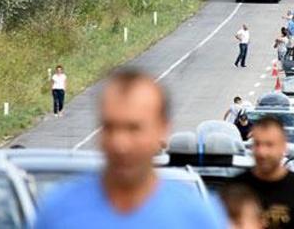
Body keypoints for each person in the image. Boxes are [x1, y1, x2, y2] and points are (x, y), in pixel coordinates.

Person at [35, 69, 227, 228]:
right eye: (110, 127)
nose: (120, 144)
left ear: (163, 130)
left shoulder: (198, 218)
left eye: (134, 128)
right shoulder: (58, 212)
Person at [232, 116, 294, 229]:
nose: (262, 152)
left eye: (269, 145)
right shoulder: (236, 188)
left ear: (283, 147)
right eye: (257, 144)